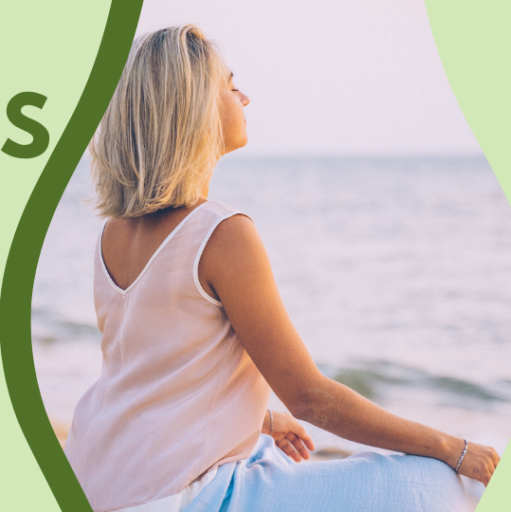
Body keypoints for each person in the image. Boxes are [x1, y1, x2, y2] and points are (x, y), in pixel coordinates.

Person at [62, 24, 500, 512]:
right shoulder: (222, 232)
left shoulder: (113, 232)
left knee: (266, 450)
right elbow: (310, 398)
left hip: (94, 480)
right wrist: (454, 449)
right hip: (176, 499)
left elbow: (152, 375)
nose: (244, 97)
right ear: (193, 109)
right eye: (230, 86)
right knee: (447, 484)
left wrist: (263, 420)